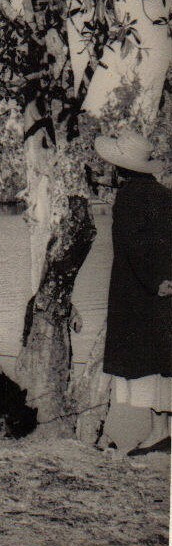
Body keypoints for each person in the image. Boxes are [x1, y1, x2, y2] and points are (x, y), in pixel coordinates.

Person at [94, 128, 171, 454]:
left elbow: (134, 246)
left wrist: (155, 280)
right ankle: (161, 431)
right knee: (164, 362)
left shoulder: (128, 198)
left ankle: (157, 433)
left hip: (139, 293)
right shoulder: (165, 195)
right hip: (165, 290)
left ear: (120, 167)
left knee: (145, 363)